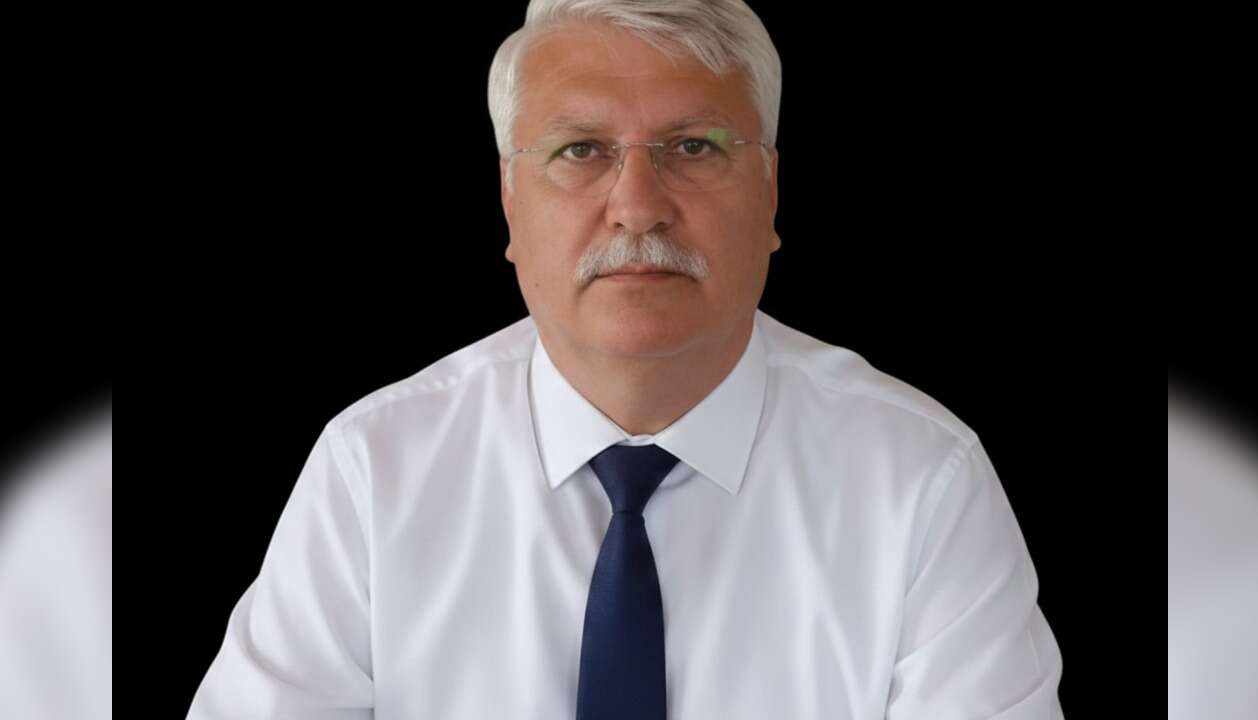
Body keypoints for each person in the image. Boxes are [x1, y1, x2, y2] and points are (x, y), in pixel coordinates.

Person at [186, 1, 1064, 718]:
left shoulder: (921, 480)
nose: (638, 207)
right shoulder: (375, 468)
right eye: (581, 150)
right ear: (509, 201)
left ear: (770, 192)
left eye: (694, 147)